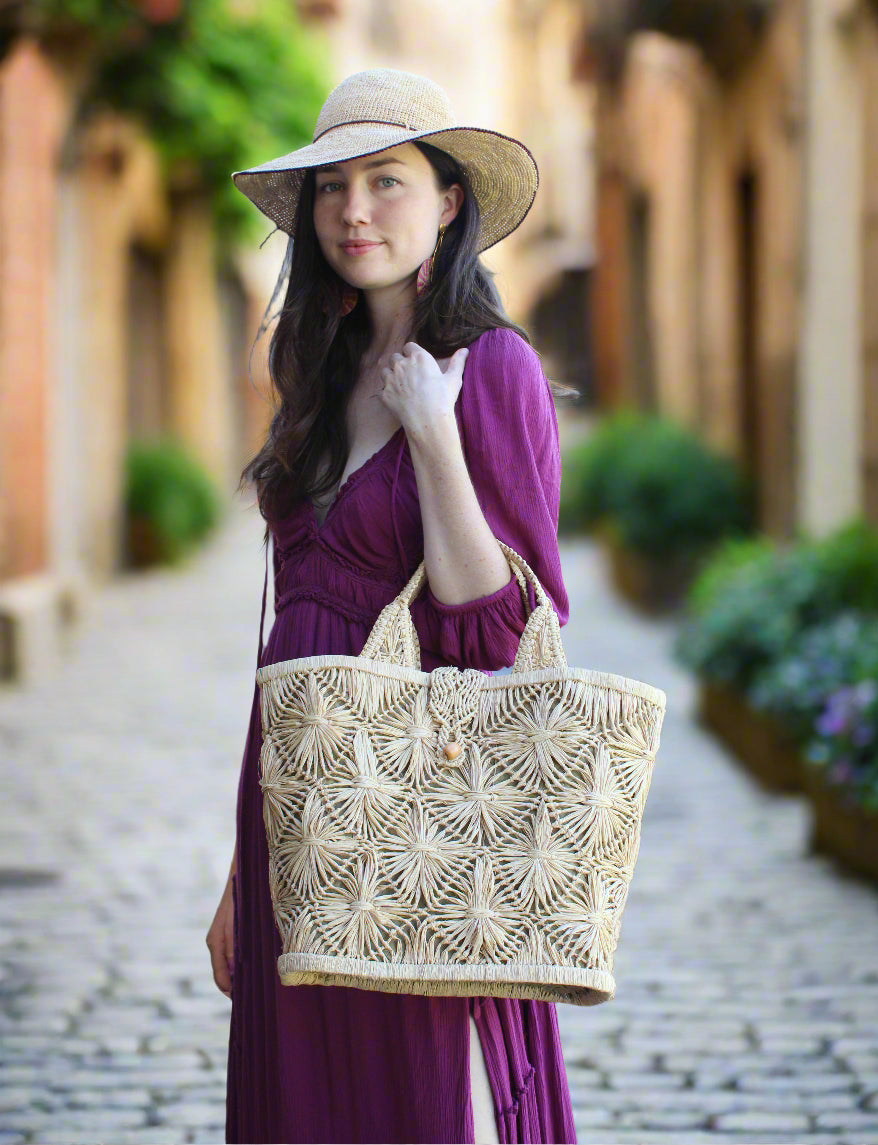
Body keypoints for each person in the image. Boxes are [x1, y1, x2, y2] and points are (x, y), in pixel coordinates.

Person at [206, 67, 577, 1145]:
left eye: (387, 180)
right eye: (332, 187)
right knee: (297, 1106)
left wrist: (434, 430)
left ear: (449, 199)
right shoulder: (315, 367)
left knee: (401, 1104)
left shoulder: (490, 367)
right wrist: (244, 862)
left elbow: (496, 623)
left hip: (414, 804)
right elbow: (290, 632)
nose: (353, 211)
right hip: (296, 794)